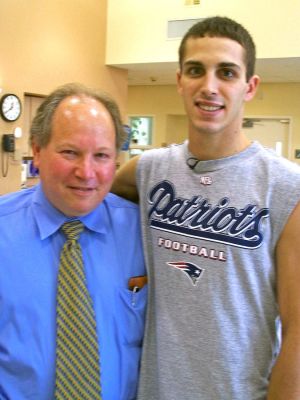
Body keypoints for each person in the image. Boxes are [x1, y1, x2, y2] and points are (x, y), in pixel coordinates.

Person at [112, 16, 300, 400]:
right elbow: (97, 192)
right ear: (180, 80)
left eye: (226, 72)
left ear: (249, 86)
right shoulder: (148, 171)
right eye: (196, 70)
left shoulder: (285, 187)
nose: (209, 87)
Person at [0, 83, 147, 400]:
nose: (87, 172)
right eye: (70, 152)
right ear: (37, 150)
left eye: (102, 156)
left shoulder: (142, 234)